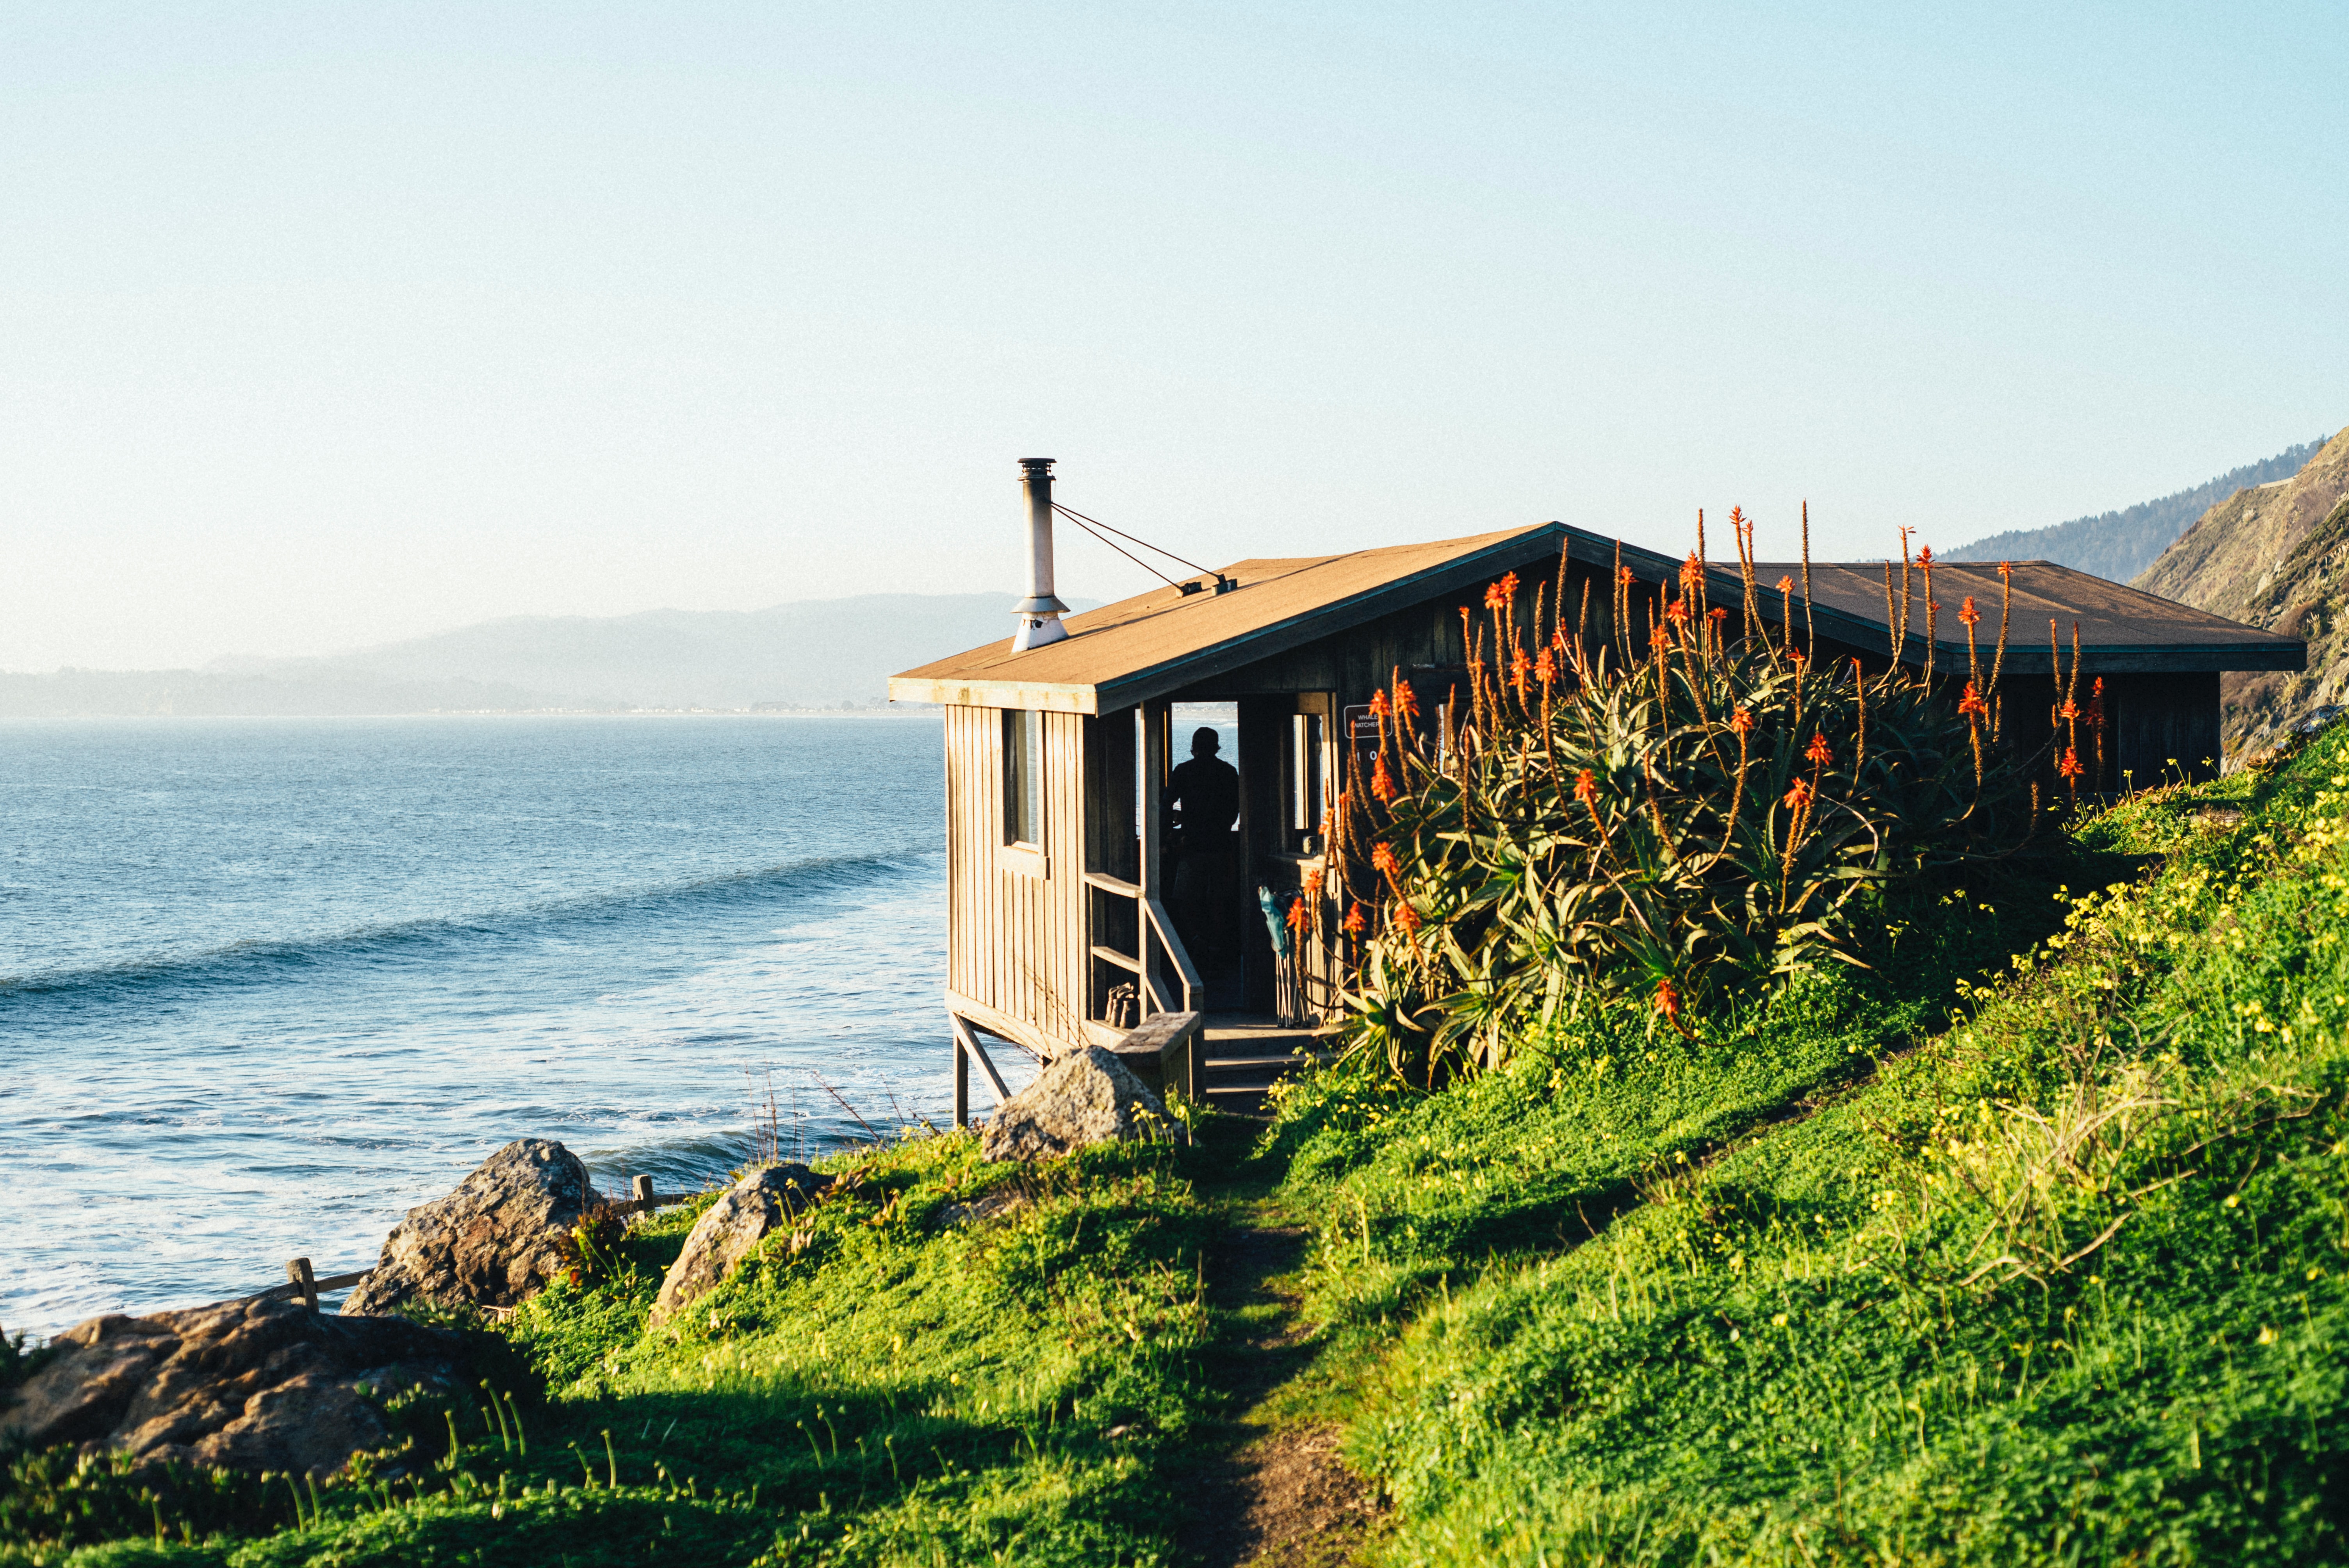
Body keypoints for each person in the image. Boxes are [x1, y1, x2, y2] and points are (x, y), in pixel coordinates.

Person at [1166, 728, 1240, 967]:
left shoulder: (1184, 771)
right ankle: (1217, 948)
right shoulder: (1228, 772)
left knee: (1185, 899)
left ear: (1194, 747)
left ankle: (1197, 940)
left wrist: (1177, 824)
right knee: (1219, 900)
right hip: (1222, 846)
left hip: (1192, 846)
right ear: (1216, 747)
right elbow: (1234, 811)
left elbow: (1165, 803)